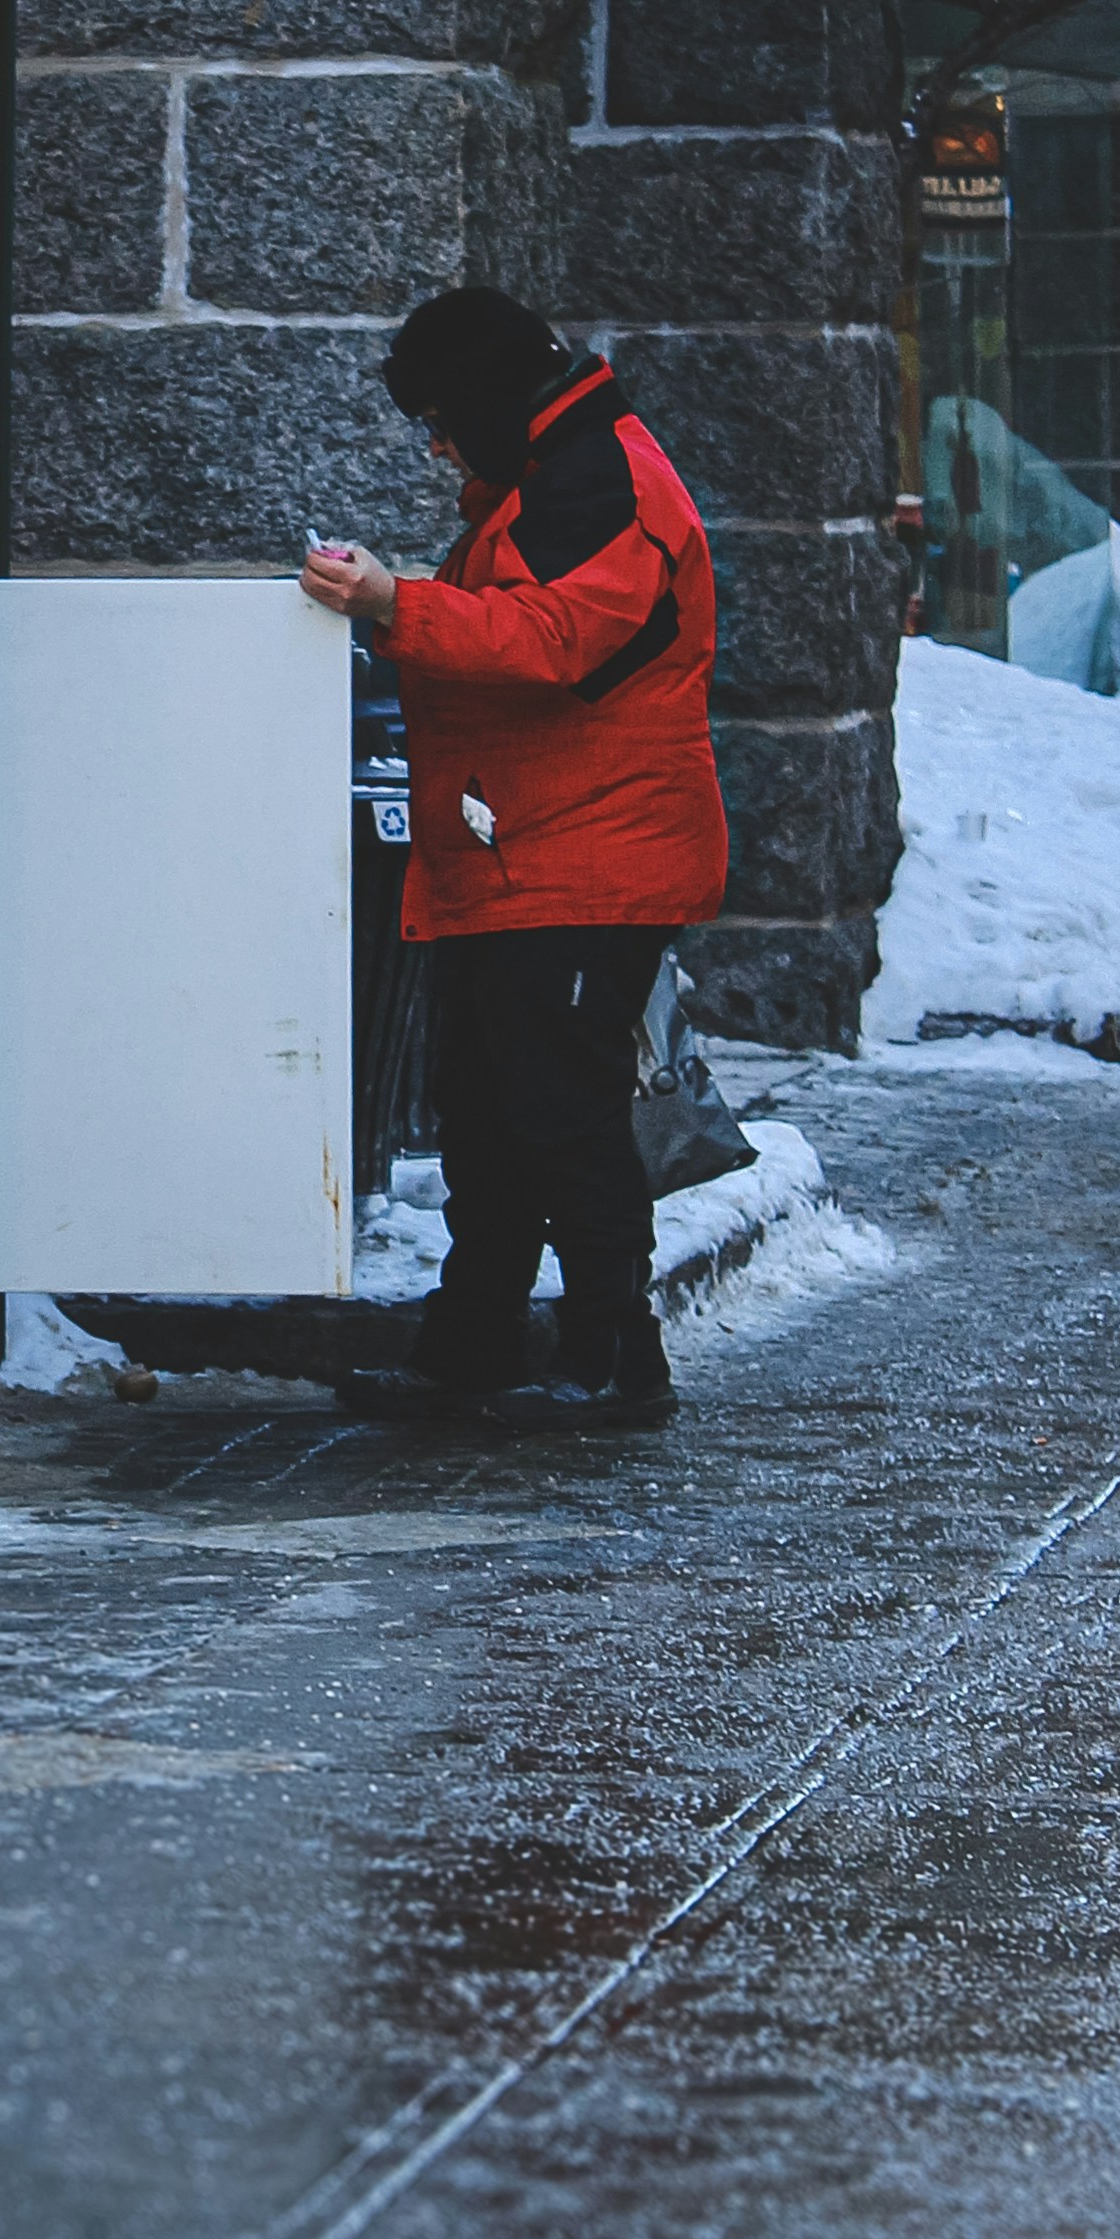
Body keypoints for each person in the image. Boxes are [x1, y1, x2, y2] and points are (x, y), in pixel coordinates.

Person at [301, 289, 729, 1437]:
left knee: (559, 1114)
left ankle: (613, 1357)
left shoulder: (598, 482)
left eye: (439, 417)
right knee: (491, 1116)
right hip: (530, 855)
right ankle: (470, 1346)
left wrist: (397, 605)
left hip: (583, 857)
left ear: (487, 399)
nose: (435, 444)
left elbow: (550, 641)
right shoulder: (561, 474)